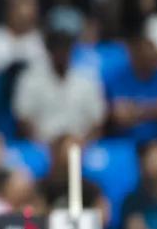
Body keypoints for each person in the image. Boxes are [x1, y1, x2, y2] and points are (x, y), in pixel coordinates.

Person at [12, 9, 107, 143]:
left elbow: (98, 122)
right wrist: (46, 147)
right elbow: (23, 119)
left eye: (66, 44)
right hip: (42, 147)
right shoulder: (29, 78)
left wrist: (81, 145)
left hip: (79, 146)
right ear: (48, 46)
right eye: (57, 43)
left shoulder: (88, 77)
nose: (61, 49)